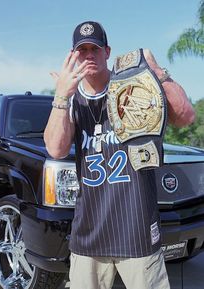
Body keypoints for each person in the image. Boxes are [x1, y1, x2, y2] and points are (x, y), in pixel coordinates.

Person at [44, 21, 195, 289]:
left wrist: (158, 72)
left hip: (137, 233)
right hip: (89, 237)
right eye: (82, 50)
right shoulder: (70, 101)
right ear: (73, 55)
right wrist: (61, 95)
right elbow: (55, 148)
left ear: (107, 51)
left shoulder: (134, 86)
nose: (89, 54)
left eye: (95, 48)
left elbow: (185, 116)